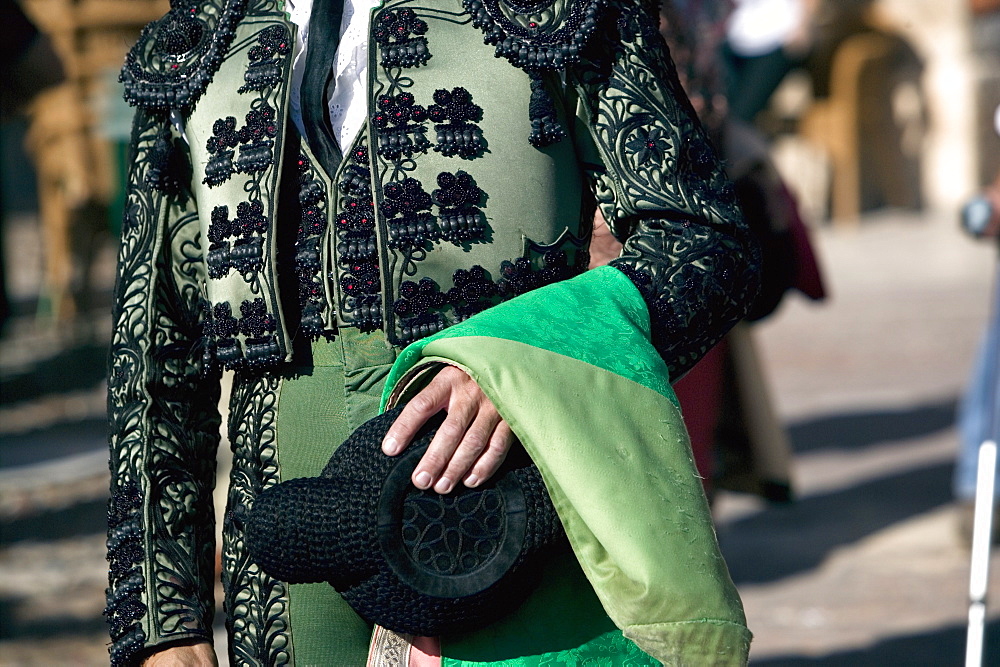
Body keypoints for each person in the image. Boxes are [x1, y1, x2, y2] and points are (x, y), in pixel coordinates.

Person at [104, 0, 761, 664]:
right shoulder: (205, 32)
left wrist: (521, 362)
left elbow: (705, 244)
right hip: (287, 570)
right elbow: (153, 356)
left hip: (505, 516)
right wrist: (164, 620)